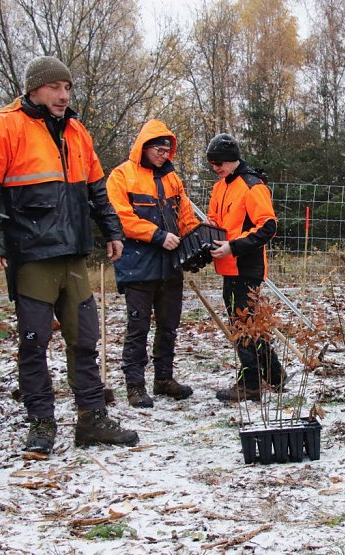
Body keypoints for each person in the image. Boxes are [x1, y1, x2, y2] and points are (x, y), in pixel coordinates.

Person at [0, 55, 138, 454]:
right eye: (55, 87)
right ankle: (41, 422)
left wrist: (112, 231)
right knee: (34, 341)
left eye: (67, 88)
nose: (63, 95)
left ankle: (92, 419)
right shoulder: (3, 127)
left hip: (73, 254)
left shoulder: (77, 131)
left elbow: (97, 190)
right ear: (34, 88)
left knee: (85, 340)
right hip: (32, 256)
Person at [106, 120, 197, 408]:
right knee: (138, 327)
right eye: (158, 147)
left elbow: (184, 214)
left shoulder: (172, 179)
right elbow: (120, 218)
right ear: (143, 146)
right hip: (137, 264)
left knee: (169, 325)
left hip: (170, 264)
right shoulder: (121, 176)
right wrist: (157, 236)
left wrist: (196, 240)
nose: (163, 152)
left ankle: (164, 379)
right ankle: (135, 385)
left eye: (167, 147)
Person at [203, 133, 283, 402]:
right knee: (252, 324)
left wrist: (234, 247)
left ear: (231, 159)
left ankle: (249, 385)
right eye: (212, 163)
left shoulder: (252, 186)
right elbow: (215, 220)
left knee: (242, 327)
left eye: (218, 163)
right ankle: (275, 376)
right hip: (228, 265)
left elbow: (268, 226)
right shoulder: (221, 186)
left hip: (245, 266)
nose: (215, 168)